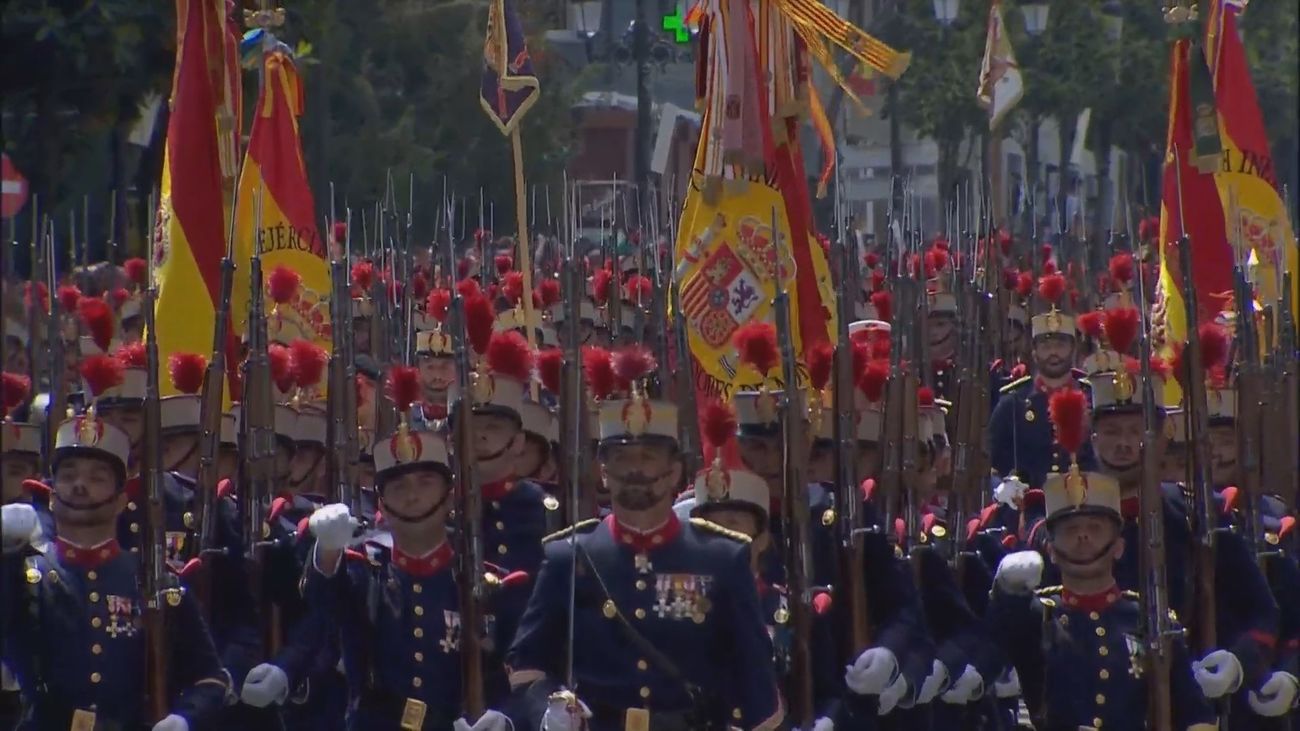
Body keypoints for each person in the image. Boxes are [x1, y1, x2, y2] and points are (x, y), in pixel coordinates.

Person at [506, 345, 784, 731]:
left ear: (673, 471)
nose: (635, 470)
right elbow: (527, 665)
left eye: (649, 458)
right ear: (603, 472)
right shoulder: (569, 555)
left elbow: (756, 682)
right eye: (622, 459)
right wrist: (546, 710)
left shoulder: (721, 557)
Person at [253, 365, 517, 730]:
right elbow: (323, 596)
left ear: (450, 495)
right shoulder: (365, 570)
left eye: (426, 482)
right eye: (398, 487)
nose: (412, 496)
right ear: (381, 501)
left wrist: (503, 719)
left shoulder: (482, 582)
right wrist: (327, 550)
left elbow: (510, 673)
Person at [1, 401, 229, 730]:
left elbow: (209, 678)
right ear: (51, 495)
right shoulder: (26, 574)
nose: (80, 485)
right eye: (68, 476)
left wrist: (185, 717)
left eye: (97, 478)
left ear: (121, 500)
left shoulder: (154, 580)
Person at [987, 464, 1218, 730]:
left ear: (1118, 547)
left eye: (1095, 528)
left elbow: (1194, 714)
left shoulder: (1150, 619)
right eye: (1070, 529)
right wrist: (1003, 592)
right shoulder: (1036, 614)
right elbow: (991, 646)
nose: (1083, 536)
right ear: (1050, 550)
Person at [988, 272, 1096, 488]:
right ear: (1034, 352)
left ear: (1073, 349)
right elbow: (994, 464)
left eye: (1061, 345)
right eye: (1046, 346)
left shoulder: (1092, 398)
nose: (1054, 353)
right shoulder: (1013, 403)